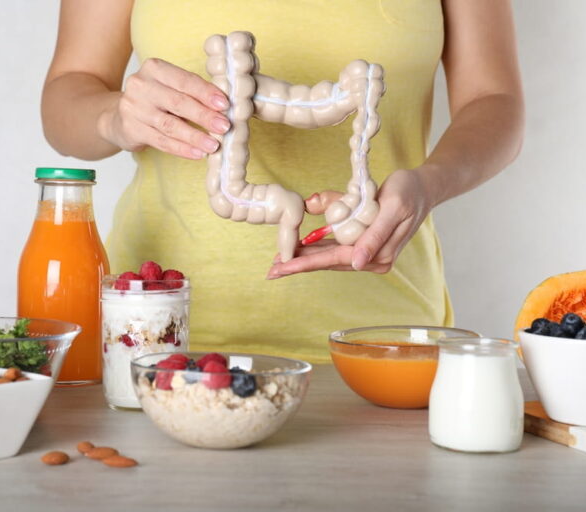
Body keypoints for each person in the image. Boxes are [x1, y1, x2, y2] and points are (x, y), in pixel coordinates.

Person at [41, 0, 524, 363]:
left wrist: (430, 184)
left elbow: (495, 98)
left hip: (382, 342)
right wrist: (115, 118)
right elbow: (67, 93)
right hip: (156, 338)